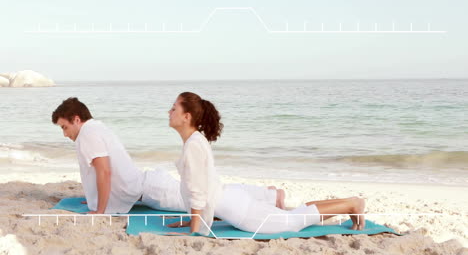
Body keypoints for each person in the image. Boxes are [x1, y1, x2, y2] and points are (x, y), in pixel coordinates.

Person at [167, 92, 366, 236]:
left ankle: (352, 203)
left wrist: (193, 231)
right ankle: (349, 202)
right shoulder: (195, 141)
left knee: (293, 222)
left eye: (174, 108)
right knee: (294, 216)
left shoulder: (193, 144)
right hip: (232, 201)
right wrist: (191, 218)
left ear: (187, 117)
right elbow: (202, 187)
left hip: (239, 211)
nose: (169, 111)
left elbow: (198, 192)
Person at [51, 97, 286, 214]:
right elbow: (103, 172)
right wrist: (95, 197)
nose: (65, 134)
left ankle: (270, 196)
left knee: (213, 199)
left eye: (64, 127)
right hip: (148, 187)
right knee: (212, 194)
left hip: (153, 190)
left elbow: (104, 171)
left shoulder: (87, 134)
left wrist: (99, 211)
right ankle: (268, 195)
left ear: (76, 120)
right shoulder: (95, 128)